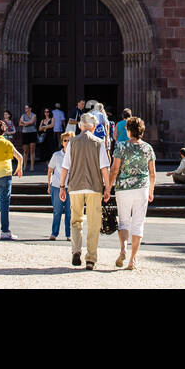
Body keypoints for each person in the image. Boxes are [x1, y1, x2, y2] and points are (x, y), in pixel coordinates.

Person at [60, 112, 112, 270]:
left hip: (75, 186)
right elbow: (104, 168)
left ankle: (76, 250)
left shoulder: (72, 142)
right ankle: (91, 258)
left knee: (75, 220)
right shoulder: (98, 142)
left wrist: (62, 186)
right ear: (94, 127)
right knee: (94, 223)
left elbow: (65, 167)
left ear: (80, 126)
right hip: (94, 187)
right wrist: (108, 187)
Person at [110, 116, 156, 269]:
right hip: (142, 188)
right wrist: (151, 191)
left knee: (123, 221)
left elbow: (115, 169)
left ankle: (123, 249)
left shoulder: (121, 146)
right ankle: (132, 260)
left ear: (129, 131)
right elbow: (153, 173)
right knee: (138, 223)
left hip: (123, 188)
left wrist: (108, 187)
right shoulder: (148, 148)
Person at [47, 130, 74, 240]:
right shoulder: (56, 155)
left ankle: (69, 234)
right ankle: (54, 233)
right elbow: (50, 170)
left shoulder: (75, 155)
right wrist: (49, 185)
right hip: (57, 186)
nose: (67, 142)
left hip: (71, 187)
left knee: (70, 212)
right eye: (65, 140)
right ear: (62, 142)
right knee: (57, 211)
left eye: (70, 140)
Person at [19, 104, 38, 171]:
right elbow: (20, 124)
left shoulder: (34, 115)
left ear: (30, 108)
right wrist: (26, 123)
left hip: (32, 133)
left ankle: (32, 166)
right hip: (25, 133)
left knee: (32, 150)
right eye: (25, 108)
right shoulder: (23, 115)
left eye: (27, 108)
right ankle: (24, 166)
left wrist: (24, 122)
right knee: (25, 151)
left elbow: (31, 122)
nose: (26, 109)